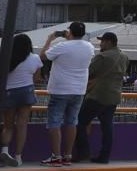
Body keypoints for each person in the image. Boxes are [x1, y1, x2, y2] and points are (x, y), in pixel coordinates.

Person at [39, 22, 95, 167]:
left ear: (69, 32)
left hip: (60, 89)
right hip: (78, 91)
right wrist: (69, 38)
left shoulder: (62, 46)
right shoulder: (89, 47)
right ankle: (67, 155)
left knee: (54, 122)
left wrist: (50, 39)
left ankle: (56, 157)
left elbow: (43, 56)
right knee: (72, 122)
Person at [73, 32, 129, 164]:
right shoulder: (124, 57)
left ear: (109, 42)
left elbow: (89, 72)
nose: (100, 44)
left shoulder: (102, 56)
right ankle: (104, 156)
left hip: (97, 95)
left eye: (102, 41)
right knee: (107, 127)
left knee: (79, 122)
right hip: (114, 96)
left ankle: (83, 153)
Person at [1, 34, 44, 167]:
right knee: (22, 125)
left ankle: (4, 151)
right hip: (26, 93)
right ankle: (18, 157)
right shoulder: (35, 58)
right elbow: (37, 79)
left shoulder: (6, 57)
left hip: (9, 93)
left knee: (8, 126)